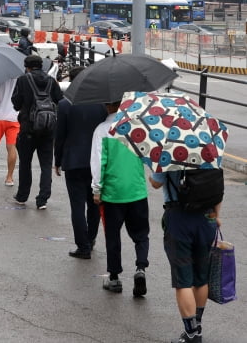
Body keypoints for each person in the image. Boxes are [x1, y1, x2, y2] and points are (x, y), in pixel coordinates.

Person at [149, 171, 222, 343]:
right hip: (207, 218)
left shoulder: (169, 152)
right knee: (201, 277)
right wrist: (216, 216)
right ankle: (197, 325)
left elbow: (156, 183)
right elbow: (218, 189)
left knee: (183, 280)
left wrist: (153, 174)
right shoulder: (210, 151)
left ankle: (191, 334)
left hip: (178, 217)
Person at [91, 101, 149, 296]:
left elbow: (99, 161)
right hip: (137, 190)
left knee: (113, 235)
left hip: (113, 193)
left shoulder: (102, 130)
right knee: (141, 234)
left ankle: (114, 277)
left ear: (107, 105)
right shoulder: (135, 127)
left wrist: (96, 189)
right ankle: (141, 268)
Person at [54, 67, 107, 259]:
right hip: (96, 162)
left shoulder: (65, 104)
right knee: (94, 204)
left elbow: (60, 136)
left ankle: (82, 246)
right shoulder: (101, 104)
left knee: (77, 206)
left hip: (73, 161)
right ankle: (91, 239)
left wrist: (57, 160)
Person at [11, 55, 62, 209]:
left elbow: (16, 103)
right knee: (46, 165)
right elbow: (59, 100)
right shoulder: (51, 80)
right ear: (41, 66)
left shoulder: (23, 80)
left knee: (25, 163)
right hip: (47, 128)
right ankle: (42, 200)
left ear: (27, 66)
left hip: (28, 128)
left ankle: (22, 195)